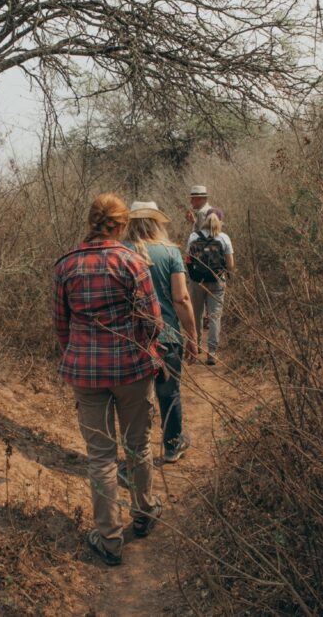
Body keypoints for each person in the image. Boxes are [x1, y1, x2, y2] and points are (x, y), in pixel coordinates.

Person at [52, 193, 164, 566]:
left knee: (100, 456)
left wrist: (79, 353)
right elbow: (152, 321)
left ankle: (110, 539)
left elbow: (60, 325)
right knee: (138, 445)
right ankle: (145, 513)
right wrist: (143, 349)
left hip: (85, 373)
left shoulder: (66, 265)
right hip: (131, 368)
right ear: (119, 226)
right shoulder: (132, 262)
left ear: (91, 222)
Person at [123, 201, 199, 463]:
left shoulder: (120, 252)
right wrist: (192, 336)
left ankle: (135, 452)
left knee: (134, 398)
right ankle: (172, 445)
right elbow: (181, 299)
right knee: (169, 391)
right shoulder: (170, 252)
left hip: (130, 339)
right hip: (166, 336)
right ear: (156, 223)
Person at [186, 212, 234, 366]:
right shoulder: (224, 238)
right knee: (214, 317)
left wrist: (193, 276)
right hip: (217, 282)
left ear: (204, 220)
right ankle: (212, 353)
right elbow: (231, 265)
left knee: (197, 314)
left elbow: (188, 259)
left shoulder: (194, 236)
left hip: (197, 281)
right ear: (221, 221)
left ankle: (197, 345)